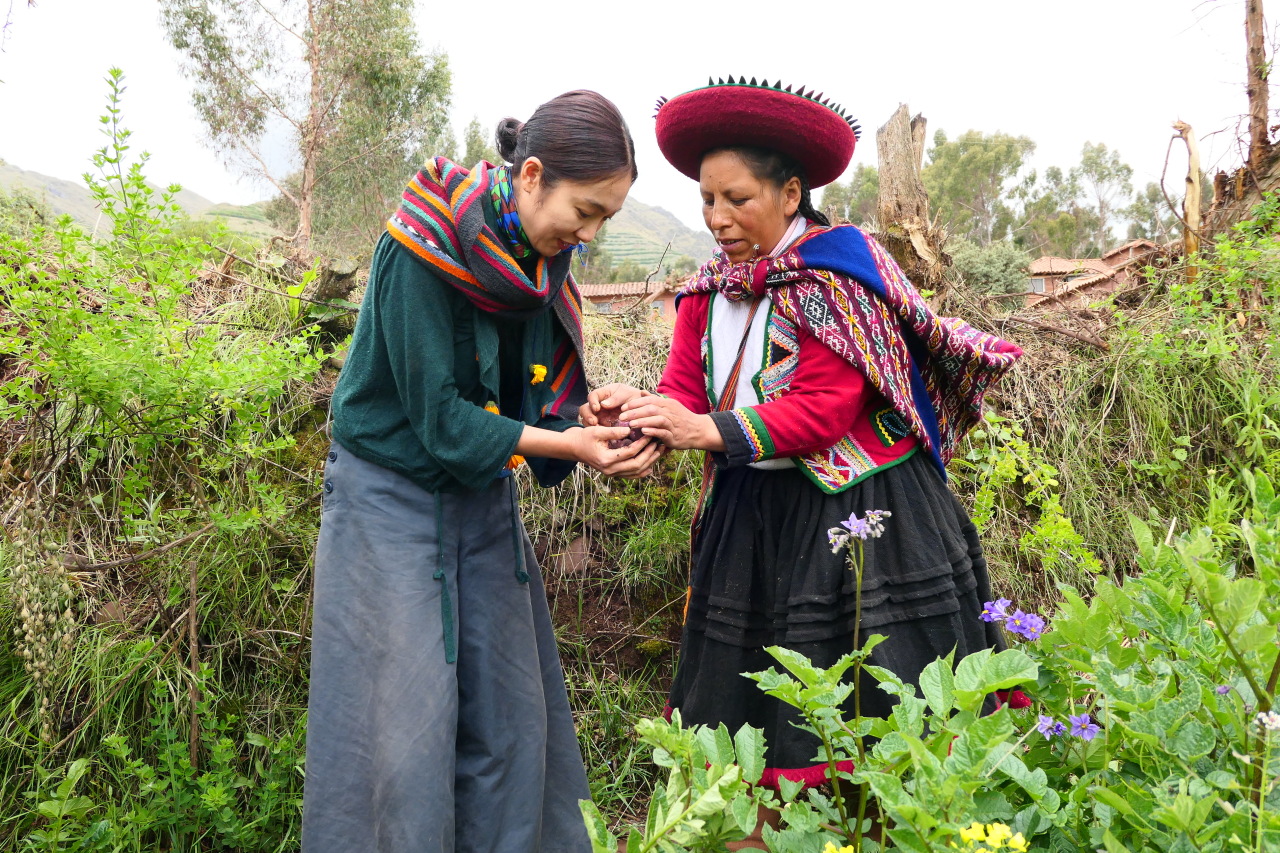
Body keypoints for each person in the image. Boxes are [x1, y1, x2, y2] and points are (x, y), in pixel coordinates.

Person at [583, 78, 1025, 790]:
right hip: (750, 518)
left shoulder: (838, 280)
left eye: (738, 199)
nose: (718, 218)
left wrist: (703, 429)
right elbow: (684, 392)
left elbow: (824, 408)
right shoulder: (706, 292)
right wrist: (641, 416)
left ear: (790, 194)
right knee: (745, 697)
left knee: (870, 694)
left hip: (858, 514)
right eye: (707, 200)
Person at [302, 90, 659, 853]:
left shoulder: (539, 265)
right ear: (531, 175)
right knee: (398, 742)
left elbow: (532, 398)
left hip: (481, 498)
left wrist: (589, 422)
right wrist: (565, 446)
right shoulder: (422, 245)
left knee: (512, 721)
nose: (589, 235)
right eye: (587, 210)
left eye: (605, 219)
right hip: (387, 502)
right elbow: (440, 422)